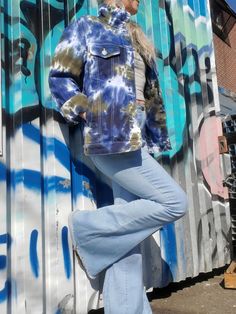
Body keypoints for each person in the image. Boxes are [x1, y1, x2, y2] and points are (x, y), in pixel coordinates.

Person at [48, 0, 188, 313]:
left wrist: (154, 133)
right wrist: (91, 113)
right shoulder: (88, 26)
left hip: (137, 136)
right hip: (110, 134)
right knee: (174, 201)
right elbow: (60, 77)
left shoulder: (136, 34)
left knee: (124, 239)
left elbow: (146, 96)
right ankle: (86, 228)